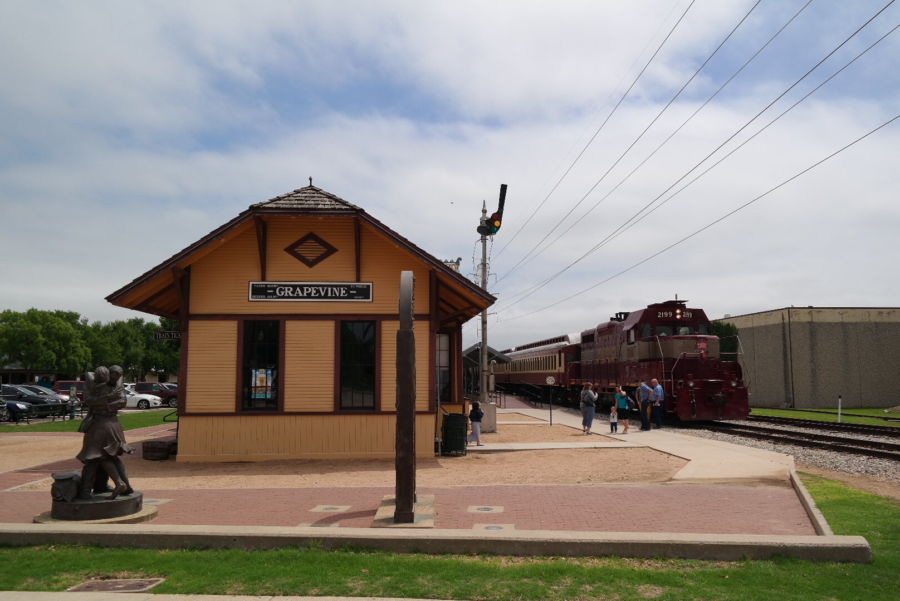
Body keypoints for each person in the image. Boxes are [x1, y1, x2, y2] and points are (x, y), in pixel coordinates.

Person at [77, 365, 134, 499]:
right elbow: (89, 400)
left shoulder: (116, 386)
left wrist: (105, 404)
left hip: (103, 424)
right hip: (107, 423)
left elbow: (122, 401)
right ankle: (110, 486)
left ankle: (86, 491)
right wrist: (109, 399)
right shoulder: (94, 385)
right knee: (108, 456)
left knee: (94, 457)